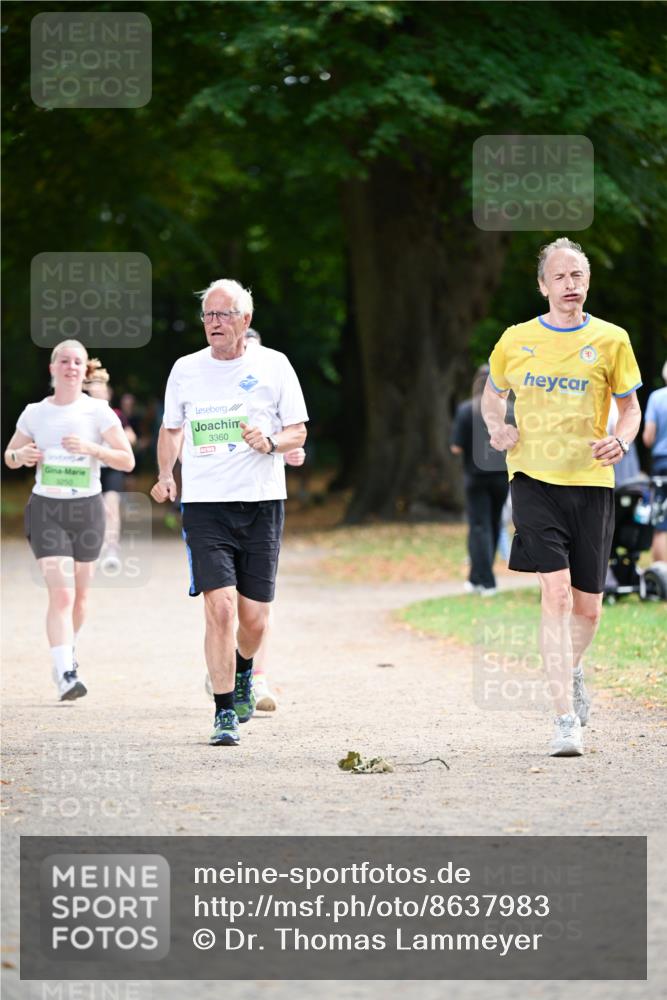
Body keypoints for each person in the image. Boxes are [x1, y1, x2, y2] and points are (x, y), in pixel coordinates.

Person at [481, 237, 642, 757]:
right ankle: (564, 720)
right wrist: (497, 427)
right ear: (543, 285)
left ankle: (571, 668)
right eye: (560, 277)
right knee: (555, 593)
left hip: (592, 482)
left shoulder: (612, 340)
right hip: (533, 479)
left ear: (587, 282)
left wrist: (621, 437)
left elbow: (630, 408)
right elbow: (492, 394)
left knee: (588, 609)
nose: (570, 285)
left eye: (577, 276)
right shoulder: (516, 339)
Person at [150, 279, 308, 746]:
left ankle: (244, 673)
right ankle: (223, 712)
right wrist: (165, 473)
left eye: (223, 315)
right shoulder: (185, 369)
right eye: (208, 316)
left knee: (254, 618)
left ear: (246, 320)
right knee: (219, 609)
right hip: (205, 504)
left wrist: (271, 443)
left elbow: (298, 432)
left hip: (261, 502)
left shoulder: (274, 365)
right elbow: (171, 428)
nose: (214, 323)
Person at [4, 340, 135, 701]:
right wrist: (23, 454)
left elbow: (127, 461)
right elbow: (10, 456)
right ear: (53, 368)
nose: (71, 366)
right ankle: (64, 674)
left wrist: (92, 449)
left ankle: (66, 653)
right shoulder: (34, 412)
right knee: (61, 594)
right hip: (47, 509)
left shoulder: (99, 412)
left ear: (84, 369)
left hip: (87, 509)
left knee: (79, 598)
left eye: (77, 361)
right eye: (64, 360)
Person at [450, 363, 509, 595]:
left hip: (475, 478)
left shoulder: (467, 410)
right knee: (493, 525)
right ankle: (476, 578)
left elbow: (455, 447)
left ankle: (487, 581)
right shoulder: (508, 410)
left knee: (478, 526)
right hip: (501, 478)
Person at [84, 363, 138, 572]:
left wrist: (115, 441)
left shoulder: (115, 414)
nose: (100, 390)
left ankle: (112, 549)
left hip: (112, 467)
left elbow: (131, 436)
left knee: (112, 507)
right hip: (90, 468)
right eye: (96, 387)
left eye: (103, 388)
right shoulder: (83, 413)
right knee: (92, 510)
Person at [642, 360, 667, 561]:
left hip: (662, 463)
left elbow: (648, 438)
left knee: (661, 521)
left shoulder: (657, 398)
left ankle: (661, 575)